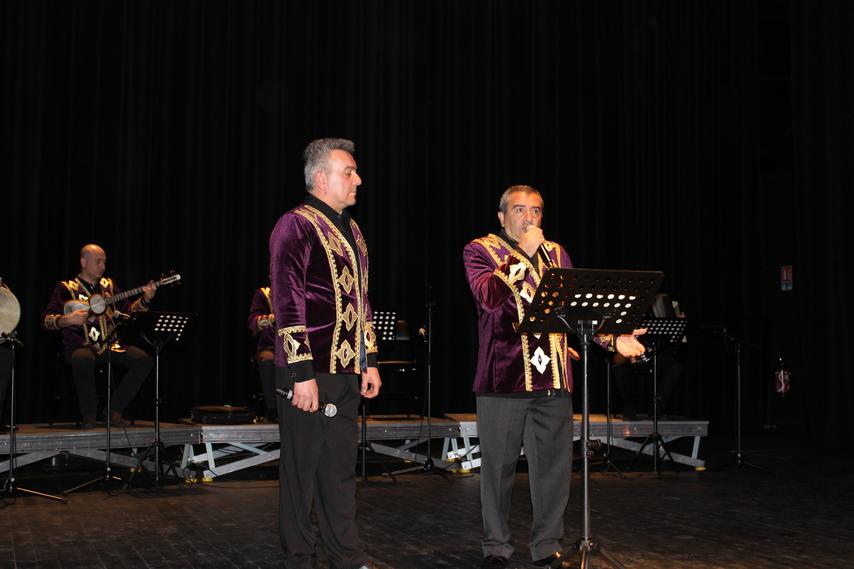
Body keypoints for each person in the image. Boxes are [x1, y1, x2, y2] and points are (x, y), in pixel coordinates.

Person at [464, 185, 646, 569]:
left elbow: (576, 311)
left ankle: (546, 546)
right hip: (503, 380)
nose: (529, 217)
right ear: (502, 216)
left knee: (553, 470)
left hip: (553, 380)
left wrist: (614, 339)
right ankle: (496, 546)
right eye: (519, 209)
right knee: (498, 470)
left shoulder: (557, 253)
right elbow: (488, 299)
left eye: (536, 210)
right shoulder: (480, 250)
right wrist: (522, 253)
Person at [269, 138, 382, 569]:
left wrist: (369, 361)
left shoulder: (353, 230)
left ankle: (346, 554)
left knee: (338, 468)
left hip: (345, 369)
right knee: (301, 468)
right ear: (321, 178)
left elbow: (362, 300)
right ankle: (300, 555)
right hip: (307, 369)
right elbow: (287, 301)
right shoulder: (295, 225)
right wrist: (301, 373)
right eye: (348, 172)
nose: (358, 179)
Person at [42, 244, 156, 428]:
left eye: (104, 262)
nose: (103, 266)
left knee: (144, 360)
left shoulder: (108, 286)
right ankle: (89, 415)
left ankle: (113, 410)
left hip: (110, 344)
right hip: (79, 345)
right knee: (83, 358)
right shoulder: (66, 288)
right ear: (83, 262)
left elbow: (128, 312)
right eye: (98, 262)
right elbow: (46, 320)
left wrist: (145, 299)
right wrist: (67, 319)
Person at [613, 293, 685, 420]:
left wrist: (679, 324)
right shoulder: (623, 309)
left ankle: (657, 408)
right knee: (618, 368)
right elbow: (616, 356)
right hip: (630, 354)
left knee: (674, 366)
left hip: (654, 354)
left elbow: (673, 343)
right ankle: (628, 408)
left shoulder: (663, 306)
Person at [247, 284, 277, 421]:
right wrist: (274, 318)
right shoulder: (264, 294)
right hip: (271, 347)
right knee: (267, 358)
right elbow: (253, 322)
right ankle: (273, 410)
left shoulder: (300, 291)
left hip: (296, 348)